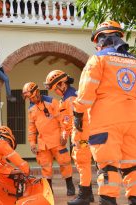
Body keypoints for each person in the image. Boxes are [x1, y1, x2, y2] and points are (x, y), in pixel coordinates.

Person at [73, 20, 136, 205]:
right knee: (133, 166)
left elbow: (86, 92)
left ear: (101, 39)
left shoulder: (98, 59)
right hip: (134, 119)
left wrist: (78, 113)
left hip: (106, 119)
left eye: (97, 42)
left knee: (108, 166)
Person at [44, 70, 94, 205]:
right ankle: (88, 194)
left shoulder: (71, 99)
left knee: (82, 161)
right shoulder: (68, 97)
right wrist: (66, 134)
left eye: (55, 89)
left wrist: (75, 138)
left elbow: (76, 121)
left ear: (62, 84)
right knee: (82, 163)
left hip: (81, 136)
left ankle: (84, 196)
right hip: (80, 135)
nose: (55, 92)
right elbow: (67, 120)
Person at [22, 82, 75, 196]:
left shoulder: (52, 102)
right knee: (45, 167)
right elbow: (32, 128)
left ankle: (70, 186)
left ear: (37, 93)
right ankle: (49, 190)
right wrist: (32, 143)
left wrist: (64, 135)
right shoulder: (31, 109)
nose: (31, 100)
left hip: (57, 140)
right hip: (43, 143)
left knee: (65, 163)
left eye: (31, 97)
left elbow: (62, 120)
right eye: (29, 98)